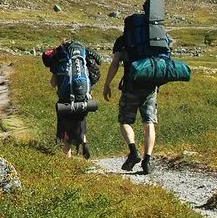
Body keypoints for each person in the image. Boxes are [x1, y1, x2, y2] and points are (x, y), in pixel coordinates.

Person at [103, 22, 168, 175]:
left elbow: (115, 64)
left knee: (125, 121)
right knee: (149, 123)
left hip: (130, 86)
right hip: (151, 87)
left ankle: (133, 151)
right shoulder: (154, 39)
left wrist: (107, 84)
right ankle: (147, 160)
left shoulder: (123, 40)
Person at [42, 40, 100, 159]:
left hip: (65, 99)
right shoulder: (82, 57)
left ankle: (67, 159)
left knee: (66, 130)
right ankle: (84, 142)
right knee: (80, 122)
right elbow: (94, 75)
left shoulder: (61, 58)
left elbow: (53, 83)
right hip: (83, 97)